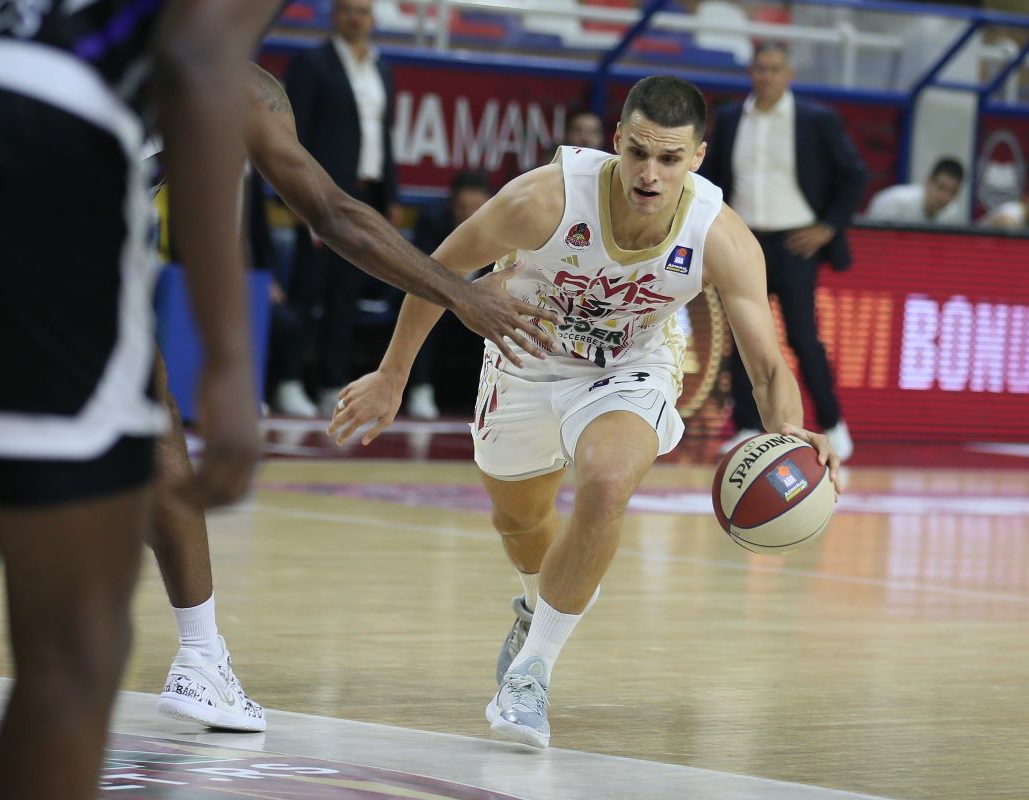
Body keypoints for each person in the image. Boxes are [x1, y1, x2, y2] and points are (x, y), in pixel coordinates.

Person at [0, 54, 555, 749]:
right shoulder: (238, 86)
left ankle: (201, 657)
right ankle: (199, 660)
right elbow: (331, 215)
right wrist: (459, 292)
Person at [0, 3, 279, 800]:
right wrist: (231, 363)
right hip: (33, 165)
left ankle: (203, 659)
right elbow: (206, 69)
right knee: (76, 648)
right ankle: (202, 662)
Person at [328, 76, 843, 750]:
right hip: (526, 355)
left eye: (669, 158)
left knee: (605, 484)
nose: (650, 173)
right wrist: (393, 375)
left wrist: (789, 438)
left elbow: (768, 366)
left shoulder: (721, 237)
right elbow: (438, 272)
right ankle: (534, 603)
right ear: (616, 143)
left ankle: (531, 673)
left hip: (630, 370)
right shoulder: (543, 199)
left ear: (698, 157)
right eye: (638, 153)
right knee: (520, 521)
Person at [699, 41, 865, 462]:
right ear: (750, 72)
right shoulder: (731, 118)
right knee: (742, 336)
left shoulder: (817, 120)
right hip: (742, 240)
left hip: (795, 244)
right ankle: (748, 428)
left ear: (789, 74)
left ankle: (832, 424)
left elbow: (853, 175)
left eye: (774, 69)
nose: (766, 76)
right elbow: (713, 178)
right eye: (759, 69)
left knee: (802, 337)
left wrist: (826, 227)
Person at [273, 0, 400, 418]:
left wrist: (391, 196)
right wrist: (297, 197)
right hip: (320, 198)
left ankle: (332, 384)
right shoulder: (312, 64)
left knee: (345, 297)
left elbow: (384, 134)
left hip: (366, 198)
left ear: (373, 18)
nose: (355, 17)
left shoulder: (382, 69)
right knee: (307, 293)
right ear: (333, 15)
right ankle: (289, 380)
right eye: (347, 9)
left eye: (363, 10)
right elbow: (292, 134)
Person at [404, 170, 495, 419]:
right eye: (463, 207)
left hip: (480, 303)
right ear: (452, 203)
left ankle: (491, 396)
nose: (469, 214)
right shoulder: (432, 222)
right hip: (437, 298)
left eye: (476, 207)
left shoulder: (500, 227)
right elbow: (420, 270)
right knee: (423, 319)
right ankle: (420, 390)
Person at [864, 157, 966, 225]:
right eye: (941, 188)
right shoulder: (894, 201)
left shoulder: (952, 213)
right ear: (928, 182)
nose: (945, 197)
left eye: (952, 192)